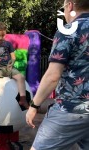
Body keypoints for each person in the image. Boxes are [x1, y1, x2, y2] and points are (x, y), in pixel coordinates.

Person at [26, 0, 89, 149]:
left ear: (70, 5)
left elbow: (53, 76)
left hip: (71, 109)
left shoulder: (69, 30)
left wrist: (34, 105)